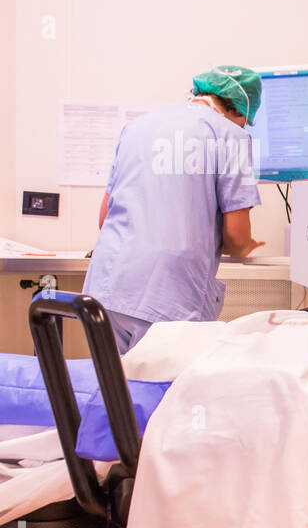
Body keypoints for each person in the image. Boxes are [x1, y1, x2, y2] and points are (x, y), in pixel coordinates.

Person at [84, 66, 266, 353]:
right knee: (166, 396)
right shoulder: (231, 136)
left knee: (116, 391)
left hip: (105, 293)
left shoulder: (136, 127)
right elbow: (236, 237)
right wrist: (244, 247)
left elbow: (105, 218)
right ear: (240, 110)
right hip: (167, 298)